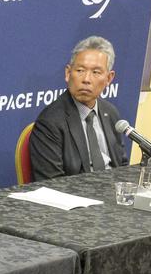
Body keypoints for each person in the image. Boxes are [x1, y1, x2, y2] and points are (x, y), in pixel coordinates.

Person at [29, 35, 128, 180]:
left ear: (109, 78)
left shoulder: (110, 112)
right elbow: (52, 182)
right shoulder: (50, 122)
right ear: (68, 73)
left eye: (96, 72)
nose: (86, 79)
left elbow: (121, 165)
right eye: (80, 70)